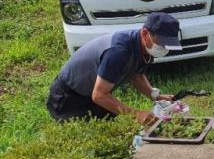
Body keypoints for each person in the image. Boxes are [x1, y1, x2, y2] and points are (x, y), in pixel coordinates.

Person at [46, 12, 182, 126]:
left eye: (168, 45)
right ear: (146, 34)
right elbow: (99, 95)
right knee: (84, 143)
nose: (164, 48)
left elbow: (138, 76)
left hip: (95, 96)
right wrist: (136, 114)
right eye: (162, 43)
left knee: (110, 133)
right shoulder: (118, 51)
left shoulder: (144, 48)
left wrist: (157, 97)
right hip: (69, 97)